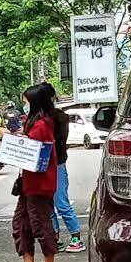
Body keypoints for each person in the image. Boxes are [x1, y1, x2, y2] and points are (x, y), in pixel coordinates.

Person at [8, 84, 59, 262]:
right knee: (21, 224)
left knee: (40, 225)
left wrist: (17, 142)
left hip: (39, 184)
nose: (24, 105)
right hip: (28, 184)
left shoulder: (42, 125)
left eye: (26, 102)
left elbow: (34, 150)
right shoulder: (33, 123)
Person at [41, 82, 84, 253]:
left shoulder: (59, 117)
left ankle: (76, 237)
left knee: (61, 202)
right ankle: (55, 237)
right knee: (48, 204)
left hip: (57, 164)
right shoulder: (39, 117)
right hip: (43, 166)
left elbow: (55, 139)